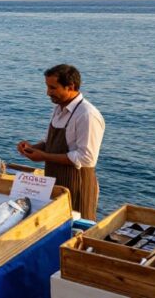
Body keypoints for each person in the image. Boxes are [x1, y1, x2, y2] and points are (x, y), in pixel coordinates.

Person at [17, 64, 105, 220]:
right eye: (47, 87)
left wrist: (44, 156)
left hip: (77, 185)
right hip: (56, 181)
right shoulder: (58, 108)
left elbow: (86, 158)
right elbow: (49, 142)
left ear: (70, 86)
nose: (47, 92)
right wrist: (32, 148)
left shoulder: (87, 115)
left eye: (53, 88)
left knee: (76, 230)